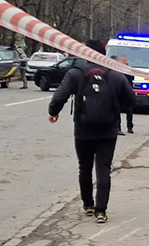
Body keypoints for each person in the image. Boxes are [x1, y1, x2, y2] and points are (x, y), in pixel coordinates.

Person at [47, 39, 135, 224]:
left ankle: (88, 204)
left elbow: (60, 95)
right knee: (103, 168)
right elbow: (130, 99)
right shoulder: (115, 75)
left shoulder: (76, 74)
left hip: (83, 129)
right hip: (108, 129)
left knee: (84, 167)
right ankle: (101, 211)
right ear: (103, 52)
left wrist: (53, 112)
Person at [112, 56, 135, 134]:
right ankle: (118, 128)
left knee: (129, 110)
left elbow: (132, 77)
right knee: (117, 110)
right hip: (118, 92)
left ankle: (130, 127)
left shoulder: (129, 69)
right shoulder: (116, 69)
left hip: (127, 91)